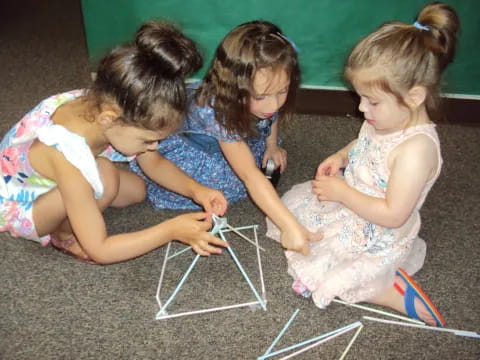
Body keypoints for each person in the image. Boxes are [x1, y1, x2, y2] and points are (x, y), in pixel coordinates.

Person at [266, 2, 459, 327]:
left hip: (379, 230)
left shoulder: (417, 150)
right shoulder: (387, 118)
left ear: (414, 97)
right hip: (353, 202)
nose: (360, 107)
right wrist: (342, 157)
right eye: (360, 96)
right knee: (295, 215)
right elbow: (364, 142)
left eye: (371, 101)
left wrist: (341, 193)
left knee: (335, 268)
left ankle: (388, 288)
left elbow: (393, 214)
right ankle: (353, 275)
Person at [0, 21, 229, 264]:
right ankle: (64, 235)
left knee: (137, 189)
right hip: (23, 206)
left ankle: (82, 207)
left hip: (56, 175)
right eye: (148, 140)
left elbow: (154, 163)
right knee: (107, 176)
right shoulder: (67, 160)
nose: (154, 147)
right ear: (110, 119)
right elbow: (101, 250)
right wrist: (169, 231)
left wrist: (198, 190)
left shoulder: (106, 102)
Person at [131, 20, 321, 255]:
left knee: (254, 151)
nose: (273, 104)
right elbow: (250, 175)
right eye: (260, 96)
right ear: (233, 88)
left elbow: (271, 117)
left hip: (235, 138)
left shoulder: (265, 94)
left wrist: (271, 144)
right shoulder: (216, 111)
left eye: (282, 91)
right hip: (197, 151)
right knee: (237, 180)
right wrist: (288, 224)